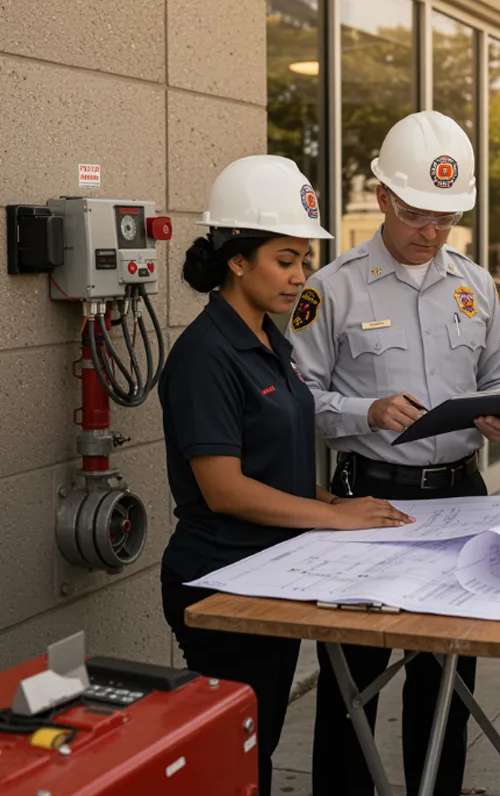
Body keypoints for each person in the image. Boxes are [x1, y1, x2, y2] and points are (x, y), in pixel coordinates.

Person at [158, 154, 413, 796]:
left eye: (304, 260)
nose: (301, 276)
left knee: (260, 743)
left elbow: (279, 464)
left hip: (269, 572)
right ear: (236, 260)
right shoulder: (206, 354)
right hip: (218, 580)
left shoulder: (271, 340)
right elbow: (224, 486)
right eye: (285, 260)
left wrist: (346, 505)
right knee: (242, 757)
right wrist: (333, 515)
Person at [288, 110, 500, 796]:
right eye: (420, 214)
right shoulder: (330, 288)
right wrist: (366, 410)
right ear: (384, 197)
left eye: (446, 219)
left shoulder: (475, 285)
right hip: (369, 500)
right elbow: (295, 399)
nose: (433, 232)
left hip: (461, 497)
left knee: (447, 671)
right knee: (354, 675)